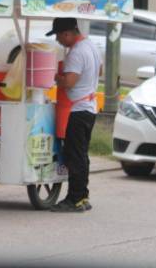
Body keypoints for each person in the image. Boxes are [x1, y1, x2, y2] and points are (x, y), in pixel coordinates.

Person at [47, 17, 102, 212]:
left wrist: (54, 77)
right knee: (82, 154)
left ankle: (75, 198)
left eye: (59, 37)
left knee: (75, 155)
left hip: (77, 110)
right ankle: (83, 196)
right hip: (90, 106)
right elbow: (100, 70)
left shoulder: (76, 53)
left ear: (67, 33)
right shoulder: (91, 46)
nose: (59, 41)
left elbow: (69, 82)